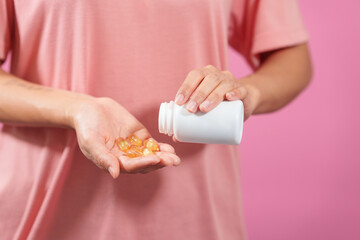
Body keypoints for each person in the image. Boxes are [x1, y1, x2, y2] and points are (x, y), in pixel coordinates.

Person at [0, 0, 312, 239]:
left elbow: (293, 59)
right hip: (46, 213)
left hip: (197, 215)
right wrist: (74, 109)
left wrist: (247, 93)